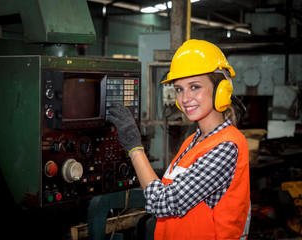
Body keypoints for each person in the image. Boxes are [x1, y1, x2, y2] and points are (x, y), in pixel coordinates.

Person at [107, 39, 251, 240]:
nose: (184, 99)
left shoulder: (227, 146)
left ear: (222, 90)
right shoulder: (194, 141)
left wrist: (134, 147)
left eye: (195, 87)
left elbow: (162, 202)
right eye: (179, 89)